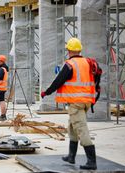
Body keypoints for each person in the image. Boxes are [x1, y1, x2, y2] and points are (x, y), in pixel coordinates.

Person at [41, 38, 97, 170]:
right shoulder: (87, 62)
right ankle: (71, 156)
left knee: (81, 129)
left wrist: (47, 92)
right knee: (72, 127)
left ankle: (91, 161)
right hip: (87, 100)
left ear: (69, 50)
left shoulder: (70, 64)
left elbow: (58, 81)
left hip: (76, 101)